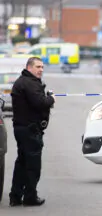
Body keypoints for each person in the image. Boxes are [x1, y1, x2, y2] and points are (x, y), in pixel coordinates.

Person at [9, 57, 55, 206]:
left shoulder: (23, 81)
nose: (41, 69)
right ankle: (30, 197)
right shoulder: (29, 83)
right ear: (29, 68)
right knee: (32, 166)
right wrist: (51, 99)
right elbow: (40, 103)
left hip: (22, 128)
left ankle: (15, 196)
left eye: (42, 67)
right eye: (38, 67)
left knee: (22, 163)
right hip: (30, 130)